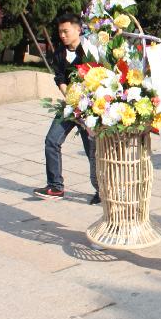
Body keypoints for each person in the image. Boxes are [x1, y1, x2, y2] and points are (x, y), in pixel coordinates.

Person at [33, 12, 99, 204]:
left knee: (92, 151)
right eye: (60, 32)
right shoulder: (59, 53)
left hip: (90, 109)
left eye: (66, 31)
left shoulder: (90, 50)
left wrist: (86, 105)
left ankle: (102, 190)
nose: (62, 35)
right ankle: (55, 186)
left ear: (78, 30)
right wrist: (70, 97)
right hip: (70, 105)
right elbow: (60, 77)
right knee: (51, 141)